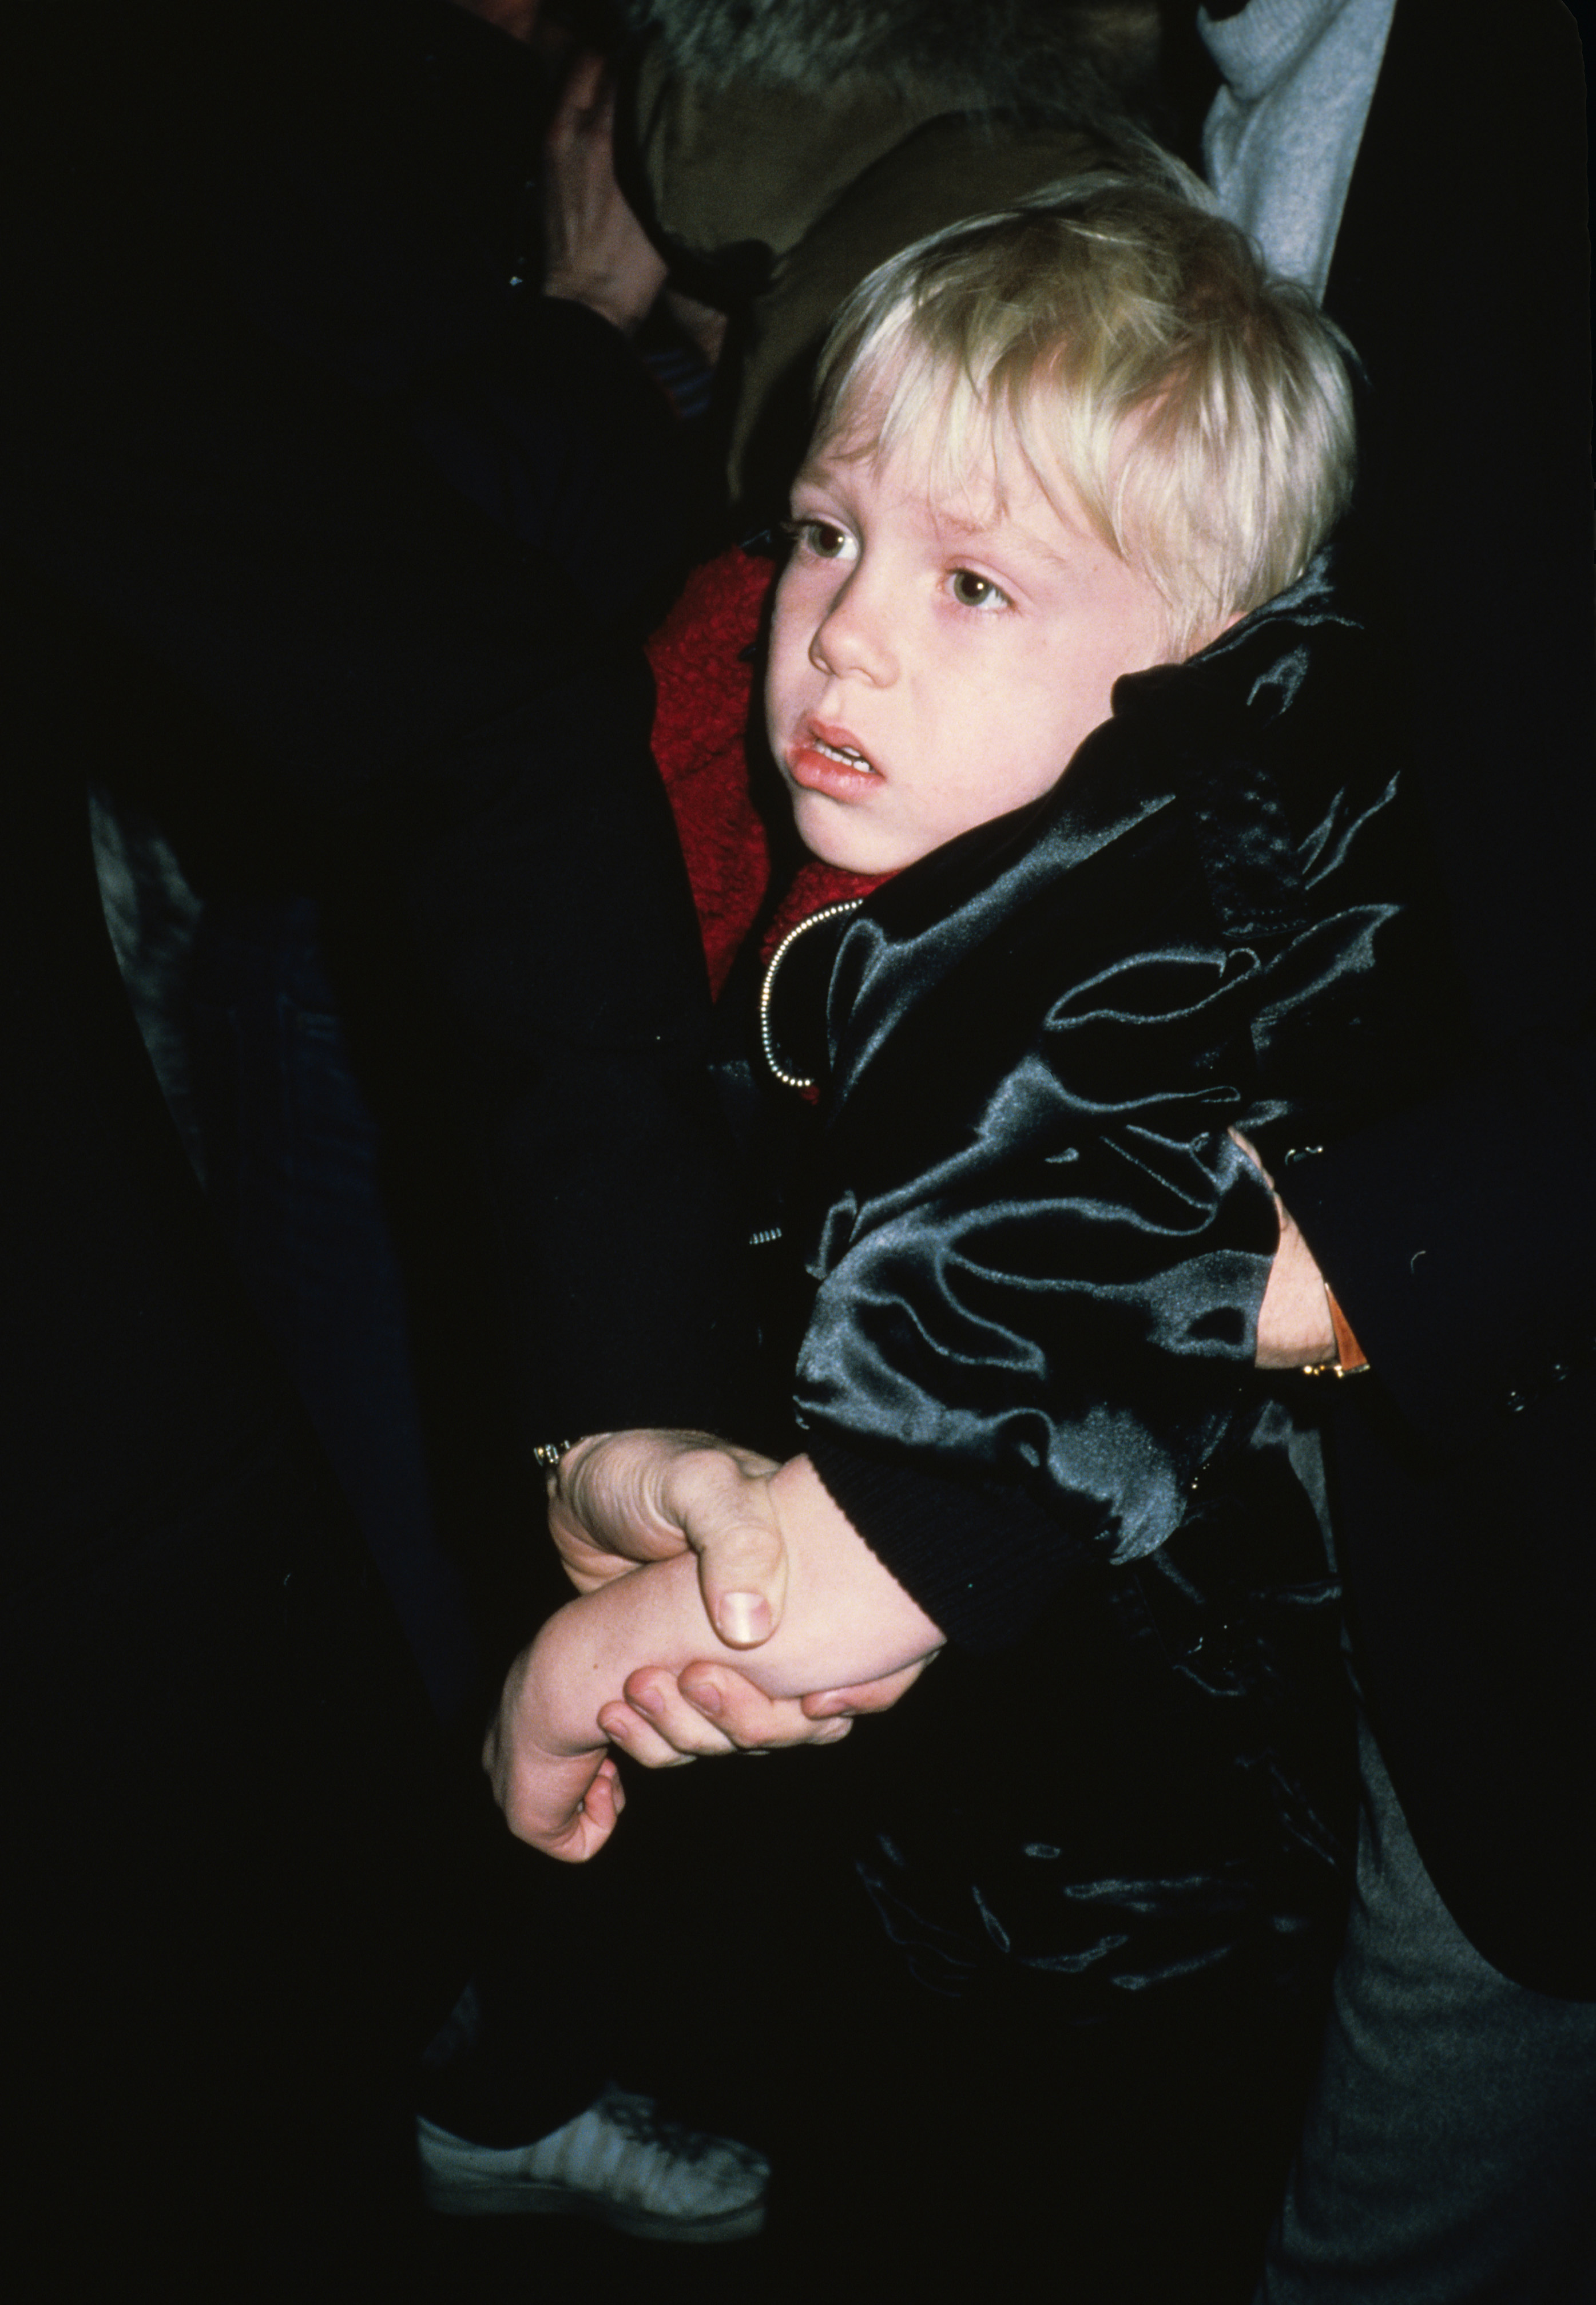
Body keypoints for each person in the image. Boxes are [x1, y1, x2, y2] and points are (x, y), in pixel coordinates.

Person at [485, 177, 1439, 2287]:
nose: (847, 629)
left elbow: (930, 1482)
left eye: (979, 584)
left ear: (1202, 660)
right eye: (830, 534)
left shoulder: (1102, 980)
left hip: (1110, 1882)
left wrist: (560, 1690)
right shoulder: (997, 871)